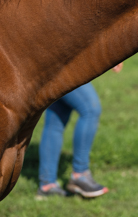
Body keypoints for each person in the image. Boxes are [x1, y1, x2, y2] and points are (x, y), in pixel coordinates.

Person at [37, 63, 123, 198]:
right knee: (90, 109)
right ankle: (80, 174)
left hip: (48, 62)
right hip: (62, 63)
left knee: (56, 121)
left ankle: (47, 185)